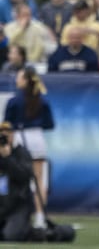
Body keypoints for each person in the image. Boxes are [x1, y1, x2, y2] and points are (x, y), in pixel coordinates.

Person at [3, 66, 53, 229]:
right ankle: (39, 217)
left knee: (18, 177)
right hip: (37, 138)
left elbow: (7, 125)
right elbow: (49, 124)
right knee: (39, 180)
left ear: (25, 80)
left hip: (19, 138)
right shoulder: (42, 100)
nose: (17, 80)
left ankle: (19, 215)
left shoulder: (13, 100)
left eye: (19, 77)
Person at [0, 121, 34, 242]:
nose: (4, 137)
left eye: (7, 134)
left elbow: (24, 176)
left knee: (10, 237)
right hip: (2, 206)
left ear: (13, 134)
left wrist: (7, 158)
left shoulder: (21, 153)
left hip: (18, 207)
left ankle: (28, 231)